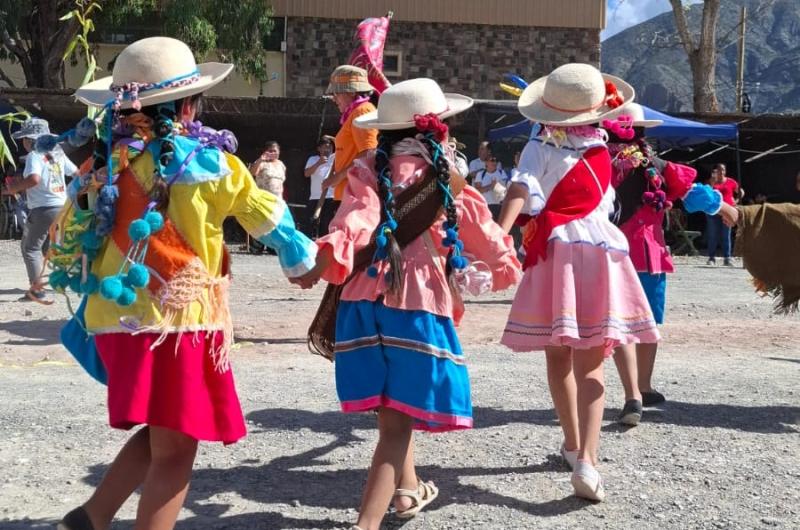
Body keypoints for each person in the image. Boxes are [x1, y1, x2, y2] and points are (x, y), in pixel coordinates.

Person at [57, 36, 315, 530]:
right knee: (177, 451)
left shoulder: (102, 165)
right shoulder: (210, 163)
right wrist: (304, 262)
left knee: (162, 431)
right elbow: (268, 218)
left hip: (114, 322)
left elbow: (71, 233)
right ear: (190, 104)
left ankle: (90, 517)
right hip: (177, 324)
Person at [294, 78, 521, 530]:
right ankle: (367, 523)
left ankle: (405, 491)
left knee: (390, 406)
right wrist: (503, 264)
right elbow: (482, 231)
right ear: (439, 128)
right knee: (397, 425)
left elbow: (355, 222)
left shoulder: (364, 168)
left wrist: (323, 257)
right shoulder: (445, 177)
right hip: (415, 302)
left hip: (362, 303)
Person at [498, 63, 659, 502]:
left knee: (559, 357)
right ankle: (587, 459)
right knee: (593, 361)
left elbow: (520, 188)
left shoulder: (541, 145)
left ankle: (572, 444)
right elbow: (603, 208)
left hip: (559, 252)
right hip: (604, 252)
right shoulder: (603, 151)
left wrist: (500, 232)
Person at [602, 103, 739, 421]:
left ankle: (624, 390)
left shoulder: (594, 160)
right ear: (641, 132)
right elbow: (691, 194)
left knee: (613, 320)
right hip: (647, 253)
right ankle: (641, 387)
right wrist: (724, 208)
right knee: (646, 322)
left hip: (607, 250)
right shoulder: (654, 164)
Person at [1, 118, 76, 303]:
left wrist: (13, 188)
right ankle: (55, 282)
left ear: (29, 140)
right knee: (46, 246)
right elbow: (76, 173)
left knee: (30, 248)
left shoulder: (34, 155)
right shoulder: (57, 154)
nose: (23, 143)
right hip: (62, 205)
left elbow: (34, 179)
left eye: (24, 139)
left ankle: (37, 290)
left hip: (44, 208)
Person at [321, 65, 379, 220]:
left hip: (355, 194)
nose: (334, 98)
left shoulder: (362, 111)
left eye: (336, 93)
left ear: (352, 92)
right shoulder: (355, 113)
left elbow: (369, 153)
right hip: (349, 193)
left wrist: (336, 177)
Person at [706, 163, 740, 266]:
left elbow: (740, 191)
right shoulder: (710, 182)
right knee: (713, 235)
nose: (722, 172)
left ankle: (727, 258)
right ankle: (711, 258)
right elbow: (706, 193)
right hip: (713, 211)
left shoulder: (731, 181)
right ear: (715, 171)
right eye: (719, 170)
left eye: (723, 170)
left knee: (726, 235)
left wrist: (736, 201)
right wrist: (712, 182)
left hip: (727, 211)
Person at [304, 135, 336, 237]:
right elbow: (306, 174)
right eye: (325, 147)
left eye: (330, 146)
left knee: (325, 225)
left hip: (330, 196)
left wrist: (331, 137)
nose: (328, 149)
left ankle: (322, 249)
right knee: (309, 223)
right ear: (319, 148)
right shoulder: (313, 159)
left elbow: (341, 144)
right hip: (315, 196)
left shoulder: (335, 157)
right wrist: (319, 163)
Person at [473, 156, 508, 220]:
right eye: (492, 160)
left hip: (499, 206)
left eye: (496, 161)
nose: (495, 162)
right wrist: (491, 186)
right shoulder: (480, 174)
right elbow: (478, 190)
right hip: (485, 205)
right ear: (486, 162)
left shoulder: (501, 173)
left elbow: (505, 189)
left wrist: (496, 186)